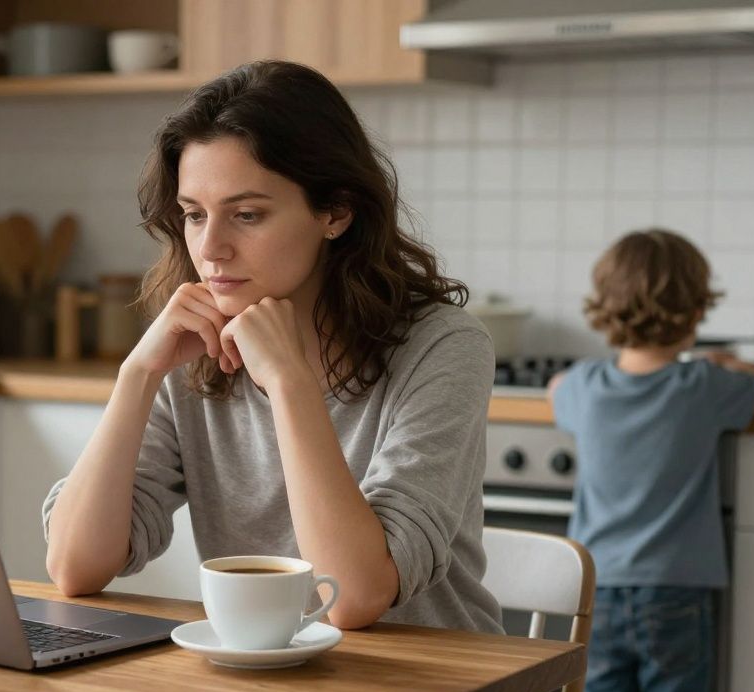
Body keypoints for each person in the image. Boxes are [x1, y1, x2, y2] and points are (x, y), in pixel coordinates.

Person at [41, 60, 503, 633]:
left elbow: (351, 598)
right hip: (263, 688)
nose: (210, 248)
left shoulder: (443, 347)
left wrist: (288, 383)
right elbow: (75, 568)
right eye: (193, 215)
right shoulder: (191, 351)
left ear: (334, 212)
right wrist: (137, 375)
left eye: (248, 215)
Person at [547, 229, 754, 692]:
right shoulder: (704, 387)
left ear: (605, 307)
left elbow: (555, 390)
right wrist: (727, 364)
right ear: (696, 310)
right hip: (677, 594)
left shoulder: (585, 387)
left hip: (599, 593)